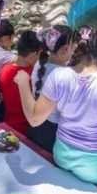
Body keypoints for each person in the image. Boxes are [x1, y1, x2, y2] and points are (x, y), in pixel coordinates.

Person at [13, 26, 97, 189]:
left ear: (76, 49)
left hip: (63, 157)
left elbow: (34, 119)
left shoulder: (58, 76)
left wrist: (23, 84)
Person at [26, 24, 75, 152]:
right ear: (65, 49)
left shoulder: (40, 64)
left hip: (34, 128)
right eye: (73, 46)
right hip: (52, 133)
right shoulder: (64, 75)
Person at [0, 30, 43, 135]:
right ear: (32, 55)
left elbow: (2, 97)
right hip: (28, 131)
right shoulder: (35, 76)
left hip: (8, 126)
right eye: (40, 54)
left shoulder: (4, 70)